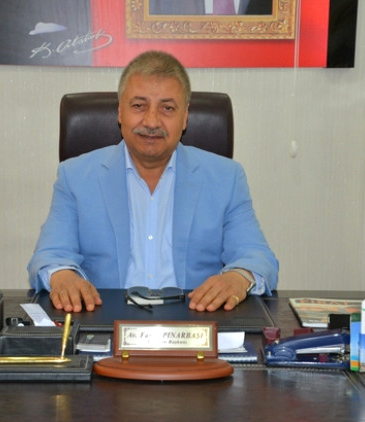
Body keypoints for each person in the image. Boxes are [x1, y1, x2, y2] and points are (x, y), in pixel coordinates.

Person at [28, 50, 278, 313]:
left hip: (196, 321)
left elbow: (258, 258)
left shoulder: (226, 177)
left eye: (167, 108)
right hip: (105, 320)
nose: (151, 121)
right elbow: (50, 255)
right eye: (138, 106)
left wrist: (238, 278)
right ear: (120, 111)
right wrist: (62, 276)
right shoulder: (75, 176)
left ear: (185, 117)